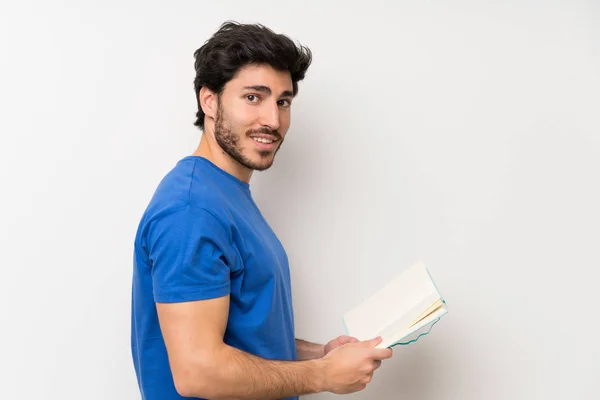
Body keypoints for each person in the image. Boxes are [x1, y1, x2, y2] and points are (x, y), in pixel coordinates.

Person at [130, 21, 393, 400]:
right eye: (254, 97)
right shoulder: (191, 210)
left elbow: (243, 333)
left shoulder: (226, 195)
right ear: (209, 100)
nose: (273, 119)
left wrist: (320, 355)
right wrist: (321, 375)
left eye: (283, 101)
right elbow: (197, 371)